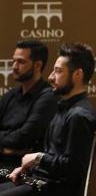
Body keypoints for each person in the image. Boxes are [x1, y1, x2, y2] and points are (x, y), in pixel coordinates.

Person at [0, 43, 96, 196]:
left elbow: (73, 167)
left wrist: (38, 157)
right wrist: (26, 168)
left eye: (58, 71)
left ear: (78, 75)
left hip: (55, 190)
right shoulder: (63, 108)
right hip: (39, 181)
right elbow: (54, 157)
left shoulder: (79, 116)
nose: (51, 77)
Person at [0, 41, 56, 169]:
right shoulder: (10, 96)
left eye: (21, 62)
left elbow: (24, 137)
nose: (14, 66)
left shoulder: (47, 97)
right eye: (14, 61)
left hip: (22, 171)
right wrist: (5, 150)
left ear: (37, 65)